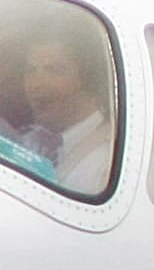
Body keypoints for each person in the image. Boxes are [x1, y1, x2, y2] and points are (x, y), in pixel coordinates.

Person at [17, 37, 115, 194]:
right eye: (31, 70)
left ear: (90, 80)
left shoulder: (115, 164)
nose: (36, 84)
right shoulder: (23, 142)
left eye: (54, 70)